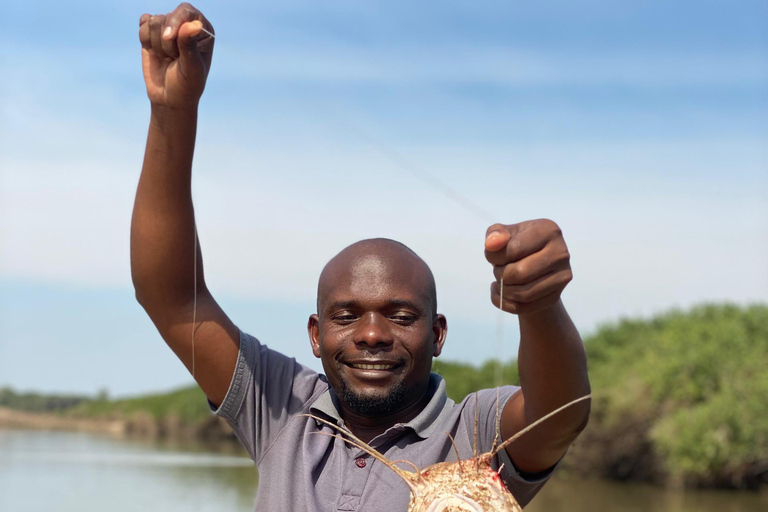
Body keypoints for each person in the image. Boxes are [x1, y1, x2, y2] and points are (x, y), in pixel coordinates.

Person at [132, 4, 591, 511]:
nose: (372, 334)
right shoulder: (284, 411)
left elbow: (560, 413)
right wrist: (173, 112)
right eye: (346, 316)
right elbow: (172, 300)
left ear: (438, 334)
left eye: (400, 315)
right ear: (315, 334)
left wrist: (541, 305)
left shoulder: (476, 432)